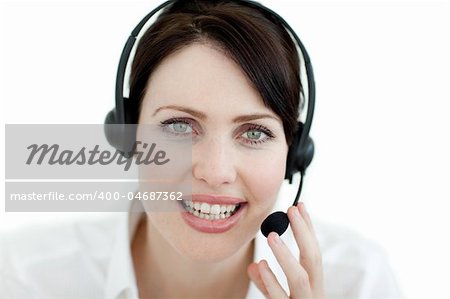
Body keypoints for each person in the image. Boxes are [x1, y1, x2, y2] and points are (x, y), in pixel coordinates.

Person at [1, 0, 402, 298]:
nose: (216, 170)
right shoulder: (26, 278)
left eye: (255, 133)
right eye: (179, 125)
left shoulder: (358, 282)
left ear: (294, 154)